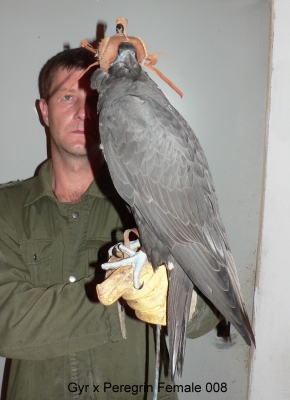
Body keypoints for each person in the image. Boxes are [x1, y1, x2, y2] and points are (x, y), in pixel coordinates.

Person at [0, 48, 221, 399]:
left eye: (93, 96)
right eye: (67, 96)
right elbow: (5, 322)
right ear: (44, 111)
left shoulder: (148, 192)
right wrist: (117, 307)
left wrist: (183, 300)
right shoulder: (5, 208)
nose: (82, 111)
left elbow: (209, 313)